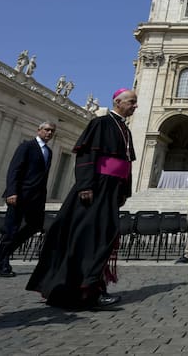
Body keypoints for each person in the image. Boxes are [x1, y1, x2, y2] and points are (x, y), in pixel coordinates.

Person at [26, 89, 138, 309]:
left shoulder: (124, 128)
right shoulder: (101, 123)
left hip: (110, 191)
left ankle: (90, 288)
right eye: (132, 102)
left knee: (102, 237)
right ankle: (87, 291)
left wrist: (125, 191)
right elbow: (86, 155)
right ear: (117, 102)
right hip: (96, 188)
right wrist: (85, 184)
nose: (135, 106)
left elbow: (126, 164)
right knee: (91, 239)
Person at [0, 121, 56, 277]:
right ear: (39, 130)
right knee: (11, 229)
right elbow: (14, 169)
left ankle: (2, 253)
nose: (49, 133)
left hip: (36, 198)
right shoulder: (27, 146)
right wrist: (11, 192)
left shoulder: (49, 152)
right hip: (19, 195)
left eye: (52, 131)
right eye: (47, 130)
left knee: (35, 225)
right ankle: (3, 262)